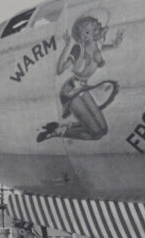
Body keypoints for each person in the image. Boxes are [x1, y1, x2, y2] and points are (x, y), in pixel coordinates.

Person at [37, 14, 124, 142]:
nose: (90, 34)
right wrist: (67, 46)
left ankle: (70, 125)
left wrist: (115, 45)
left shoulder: (97, 45)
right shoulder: (78, 49)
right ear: (81, 36)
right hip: (71, 92)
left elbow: (99, 51)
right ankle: (58, 132)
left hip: (83, 88)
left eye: (93, 29)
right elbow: (60, 69)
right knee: (95, 134)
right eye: (86, 32)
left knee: (104, 130)